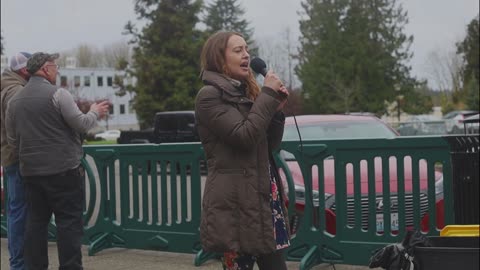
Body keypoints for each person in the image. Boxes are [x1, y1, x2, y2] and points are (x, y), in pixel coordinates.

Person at [195, 31, 291, 270]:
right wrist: (267, 96)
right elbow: (244, 136)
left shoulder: (248, 92)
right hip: (235, 205)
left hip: (264, 201)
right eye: (238, 50)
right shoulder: (209, 96)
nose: (246, 55)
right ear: (219, 58)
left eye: (246, 49)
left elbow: (268, 145)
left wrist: (276, 111)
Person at [5, 52, 110, 270]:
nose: (58, 70)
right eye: (55, 66)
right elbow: (81, 125)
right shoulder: (58, 94)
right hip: (63, 171)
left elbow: (13, 141)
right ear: (44, 69)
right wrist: (94, 112)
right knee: (68, 224)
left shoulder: (14, 102)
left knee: (35, 223)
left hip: (31, 174)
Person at [1, 52, 32, 270]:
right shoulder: (17, 91)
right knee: (20, 211)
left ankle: (18, 262)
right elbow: (19, 128)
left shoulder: (6, 85)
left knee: (15, 210)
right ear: (24, 70)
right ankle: (19, 263)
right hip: (17, 157)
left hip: (8, 156)